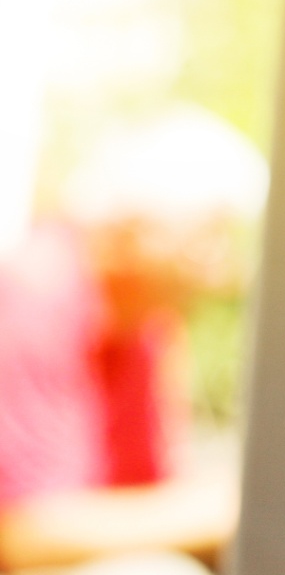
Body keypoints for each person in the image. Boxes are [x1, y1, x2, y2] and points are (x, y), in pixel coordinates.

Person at [0, 108, 259, 572]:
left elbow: (147, 493)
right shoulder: (36, 292)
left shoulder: (145, 327)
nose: (222, 270)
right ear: (135, 228)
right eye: (210, 234)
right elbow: (21, 534)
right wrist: (224, 507)